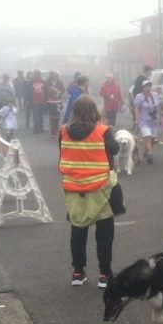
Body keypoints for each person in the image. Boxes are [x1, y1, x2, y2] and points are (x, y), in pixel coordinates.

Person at [59, 95, 119, 288]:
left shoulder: (63, 132)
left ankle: (78, 272)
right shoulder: (103, 131)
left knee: (78, 229)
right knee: (104, 232)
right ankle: (105, 275)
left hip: (74, 188)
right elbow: (115, 149)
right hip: (99, 188)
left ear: (74, 112)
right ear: (95, 111)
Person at [133, 80, 160, 163]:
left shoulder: (155, 95)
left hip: (154, 121)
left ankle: (147, 151)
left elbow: (158, 107)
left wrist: (160, 117)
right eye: (146, 86)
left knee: (152, 139)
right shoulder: (139, 96)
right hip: (144, 120)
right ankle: (150, 154)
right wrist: (137, 119)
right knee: (147, 137)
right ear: (143, 87)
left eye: (149, 86)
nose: (148, 87)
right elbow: (137, 108)